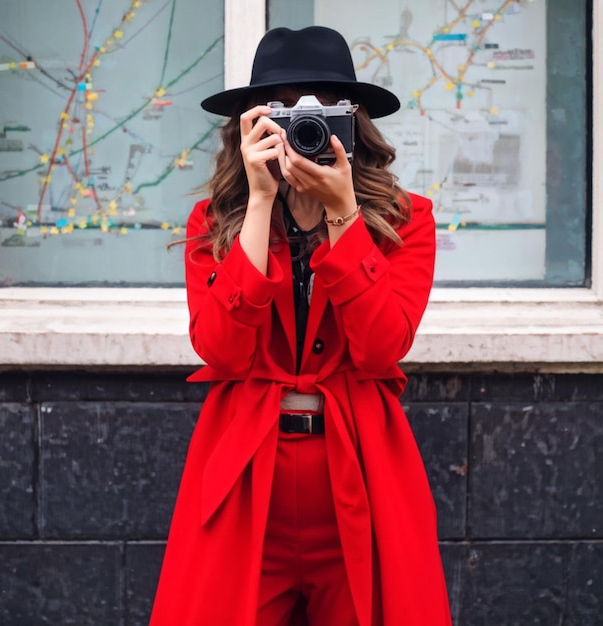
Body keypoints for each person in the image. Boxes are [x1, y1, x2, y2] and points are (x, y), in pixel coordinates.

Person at [150, 26, 452, 626]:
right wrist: (259, 204)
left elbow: (380, 349)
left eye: (318, 111)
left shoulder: (404, 219)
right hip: (244, 479)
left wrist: (344, 216)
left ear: (353, 123)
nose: (298, 129)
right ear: (248, 125)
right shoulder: (216, 221)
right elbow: (222, 352)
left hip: (360, 473)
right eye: (279, 111)